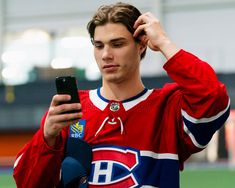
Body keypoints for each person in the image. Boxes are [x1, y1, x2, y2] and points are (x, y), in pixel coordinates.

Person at [13, 2, 230, 188]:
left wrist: (164, 42)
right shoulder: (70, 110)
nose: (106, 55)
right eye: (99, 46)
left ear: (141, 45)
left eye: (117, 44)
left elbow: (213, 98)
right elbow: (27, 182)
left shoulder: (168, 107)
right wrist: (47, 138)